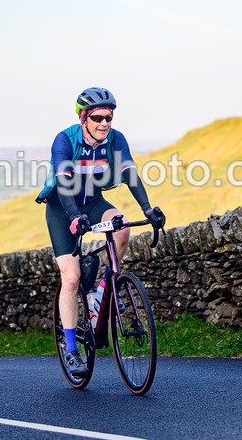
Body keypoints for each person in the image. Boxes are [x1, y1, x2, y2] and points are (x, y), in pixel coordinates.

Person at [36, 87, 166, 376]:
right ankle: (71, 350)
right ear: (83, 118)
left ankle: (100, 290)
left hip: (93, 201)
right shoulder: (65, 140)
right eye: (97, 118)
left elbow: (130, 174)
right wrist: (73, 217)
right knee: (71, 277)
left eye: (109, 117)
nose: (104, 123)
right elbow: (64, 183)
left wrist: (147, 209)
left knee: (121, 228)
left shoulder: (115, 140)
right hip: (61, 207)